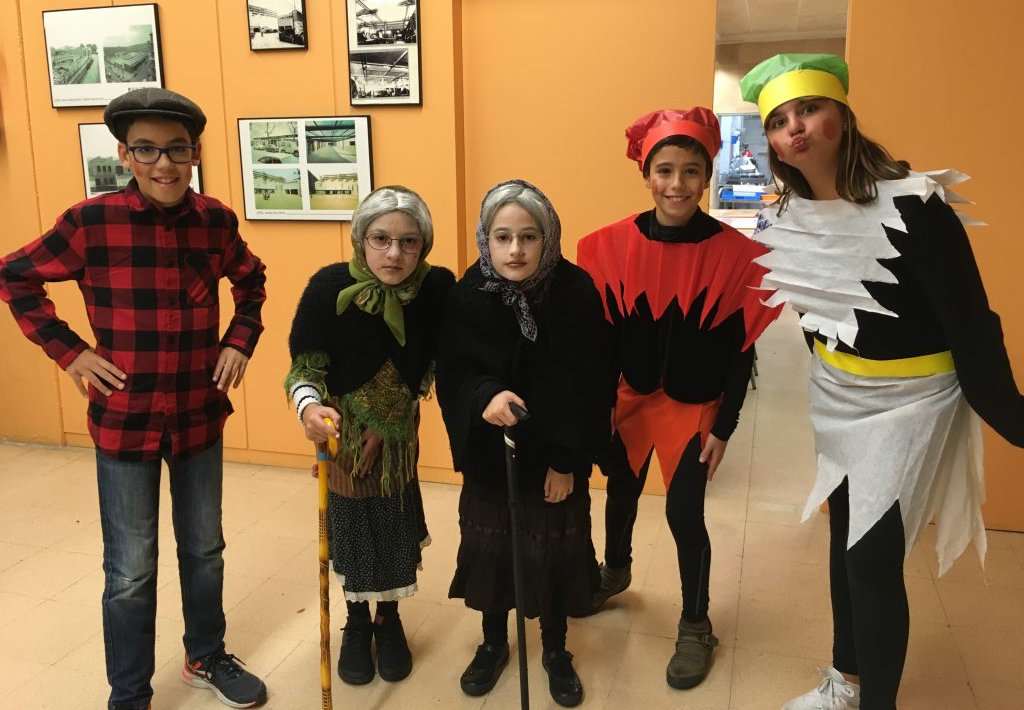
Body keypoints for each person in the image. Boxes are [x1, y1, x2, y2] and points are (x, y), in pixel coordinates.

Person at [740, 53, 1024, 710]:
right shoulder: (787, 216)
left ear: (841, 115)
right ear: (773, 143)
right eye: (779, 120)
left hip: (911, 404)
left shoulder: (916, 205)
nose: (795, 127)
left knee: (870, 559)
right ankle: (849, 679)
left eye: (809, 109)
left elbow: (971, 323)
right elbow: (815, 315)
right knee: (844, 539)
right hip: (836, 396)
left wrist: (1011, 416)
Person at [0, 89, 269, 710]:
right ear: (124, 155)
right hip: (125, 421)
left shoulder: (216, 221)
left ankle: (205, 654)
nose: (163, 163)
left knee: (204, 549)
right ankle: (129, 694)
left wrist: (239, 340)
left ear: (195, 153)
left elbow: (251, 281)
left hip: (198, 414)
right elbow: (15, 275)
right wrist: (70, 352)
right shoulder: (89, 223)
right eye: (146, 149)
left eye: (177, 149)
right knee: (129, 569)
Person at [575, 107, 780, 690]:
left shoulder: (739, 257)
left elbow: (742, 351)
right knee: (620, 489)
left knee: (683, 513)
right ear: (646, 175)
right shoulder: (609, 247)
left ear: (708, 176)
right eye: (664, 170)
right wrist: (600, 406)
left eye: (692, 171)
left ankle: (695, 622)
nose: (677, 184)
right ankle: (616, 571)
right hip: (631, 399)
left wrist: (725, 427)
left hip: (696, 407)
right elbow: (602, 342)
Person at [436, 179, 610, 708]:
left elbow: (591, 384)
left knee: (552, 552)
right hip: (494, 457)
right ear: (485, 239)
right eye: (502, 236)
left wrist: (567, 462)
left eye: (529, 236)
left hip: (556, 455)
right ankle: (493, 642)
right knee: (495, 550)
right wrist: (483, 395)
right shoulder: (468, 293)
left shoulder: (575, 292)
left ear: (548, 238)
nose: (515, 250)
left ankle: (555, 648)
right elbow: (454, 371)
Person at [285, 186, 454, 686]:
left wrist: (387, 422)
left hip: (398, 436)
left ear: (423, 245)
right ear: (361, 240)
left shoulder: (437, 289)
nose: (394, 253)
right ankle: (357, 621)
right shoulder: (328, 287)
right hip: (342, 436)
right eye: (381, 239)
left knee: (393, 522)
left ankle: (390, 618)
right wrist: (309, 407)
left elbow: (433, 364)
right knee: (353, 525)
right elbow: (305, 369)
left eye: (408, 242)